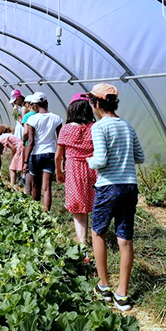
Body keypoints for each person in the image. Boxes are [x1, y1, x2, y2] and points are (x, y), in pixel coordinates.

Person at [87, 83, 145, 312]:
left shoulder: (99, 127)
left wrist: (89, 161)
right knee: (125, 238)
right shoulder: (128, 126)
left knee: (98, 232)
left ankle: (104, 286)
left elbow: (100, 161)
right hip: (129, 186)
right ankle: (122, 294)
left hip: (108, 187)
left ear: (96, 104)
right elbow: (140, 157)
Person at [55, 93, 97, 263]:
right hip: (93, 168)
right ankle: (98, 239)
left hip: (74, 170)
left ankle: (83, 246)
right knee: (95, 206)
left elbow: (58, 156)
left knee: (79, 210)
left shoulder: (66, 129)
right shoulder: (95, 127)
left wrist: (59, 172)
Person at [23, 92, 63, 211]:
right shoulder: (56, 118)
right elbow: (60, 140)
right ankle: (46, 214)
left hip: (36, 154)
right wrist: (62, 159)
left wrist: (25, 161)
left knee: (36, 186)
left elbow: (30, 141)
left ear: (35, 105)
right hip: (50, 153)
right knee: (47, 188)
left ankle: (35, 213)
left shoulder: (32, 119)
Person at [21, 97, 39, 195]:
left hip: (29, 144)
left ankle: (28, 191)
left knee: (28, 167)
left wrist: (23, 141)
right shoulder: (39, 115)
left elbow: (25, 132)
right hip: (39, 145)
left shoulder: (27, 116)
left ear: (28, 104)